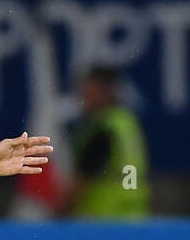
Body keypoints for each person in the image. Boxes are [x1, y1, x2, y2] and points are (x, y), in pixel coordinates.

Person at [62, 65, 149, 218]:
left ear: (103, 92)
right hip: (135, 217)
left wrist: (56, 213)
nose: (83, 98)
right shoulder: (126, 123)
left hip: (104, 221)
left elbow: (80, 182)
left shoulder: (102, 130)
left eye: (88, 91)